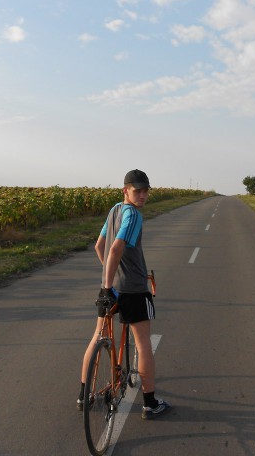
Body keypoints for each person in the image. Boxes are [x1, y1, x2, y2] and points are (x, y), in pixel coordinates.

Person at [78, 169, 171, 420]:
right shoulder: (133, 215)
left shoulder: (114, 210)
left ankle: (83, 396)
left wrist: (108, 281)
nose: (142, 195)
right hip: (133, 289)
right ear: (126, 190)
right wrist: (112, 282)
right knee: (143, 345)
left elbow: (100, 246)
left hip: (111, 288)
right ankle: (150, 403)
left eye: (145, 190)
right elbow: (116, 247)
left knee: (97, 336)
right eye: (137, 190)